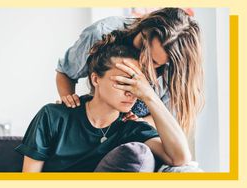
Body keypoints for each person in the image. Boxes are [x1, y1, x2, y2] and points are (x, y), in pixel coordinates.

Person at [15, 37, 191, 172]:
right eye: (122, 82)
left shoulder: (132, 128)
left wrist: (150, 96)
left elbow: (180, 158)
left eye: (137, 84)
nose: (131, 92)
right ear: (95, 78)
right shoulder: (53, 116)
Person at [56, 8, 204, 136]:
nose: (141, 61)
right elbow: (66, 72)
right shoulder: (100, 32)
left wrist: (140, 124)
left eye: (153, 62)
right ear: (142, 27)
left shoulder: (175, 71)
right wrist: (70, 106)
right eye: (141, 46)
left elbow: (168, 119)